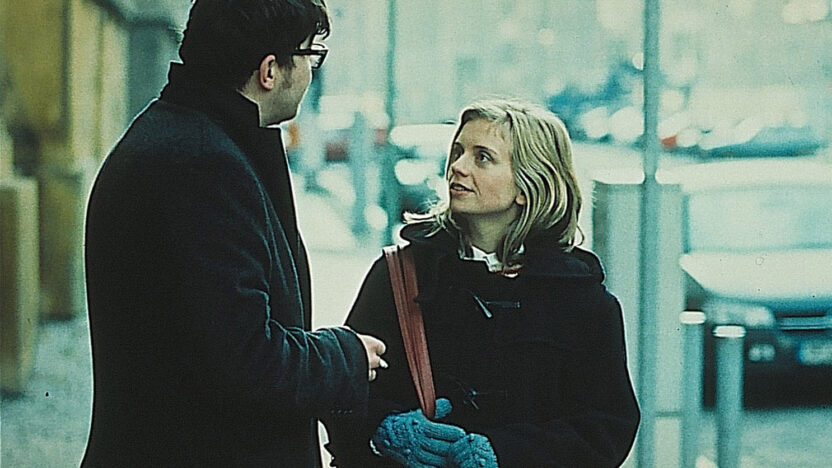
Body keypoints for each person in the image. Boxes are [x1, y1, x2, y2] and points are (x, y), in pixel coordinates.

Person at [82, 1, 387, 466]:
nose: (312, 72)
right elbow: (245, 359)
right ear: (270, 71)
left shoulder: (185, 138)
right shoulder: (202, 164)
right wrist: (346, 357)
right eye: (311, 55)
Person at [325, 98, 640, 467]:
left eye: (482, 157)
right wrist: (385, 430)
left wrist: (505, 454)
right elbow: (342, 390)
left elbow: (606, 428)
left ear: (527, 185)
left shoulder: (581, 299)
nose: (457, 167)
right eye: (458, 151)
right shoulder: (399, 274)